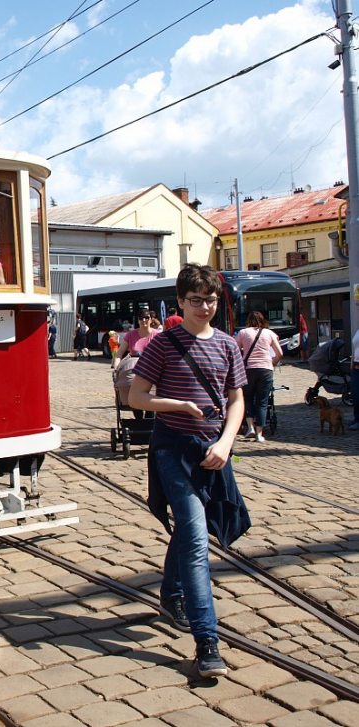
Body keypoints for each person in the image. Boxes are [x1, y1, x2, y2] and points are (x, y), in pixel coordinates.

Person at [129, 263, 248, 679]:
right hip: (173, 450)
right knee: (196, 538)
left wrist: (227, 442)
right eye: (195, 300)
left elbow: (236, 401)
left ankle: (170, 594)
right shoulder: (163, 344)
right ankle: (206, 640)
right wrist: (178, 406)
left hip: (213, 449)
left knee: (189, 529)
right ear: (180, 301)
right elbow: (136, 398)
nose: (204, 307)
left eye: (211, 300)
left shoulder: (229, 346)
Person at [235, 311, 282, 442]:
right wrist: (271, 364)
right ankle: (259, 434)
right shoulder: (269, 333)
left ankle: (250, 427)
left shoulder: (243, 333)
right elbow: (279, 353)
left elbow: (235, 350)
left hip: (248, 369)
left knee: (247, 398)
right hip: (265, 369)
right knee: (262, 402)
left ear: (248, 320)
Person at [351, 326, 359, 431]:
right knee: (356, 395)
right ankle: (357, 418)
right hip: (356, 368)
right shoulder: (358, 330)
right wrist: (352, 362)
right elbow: (355, 347)